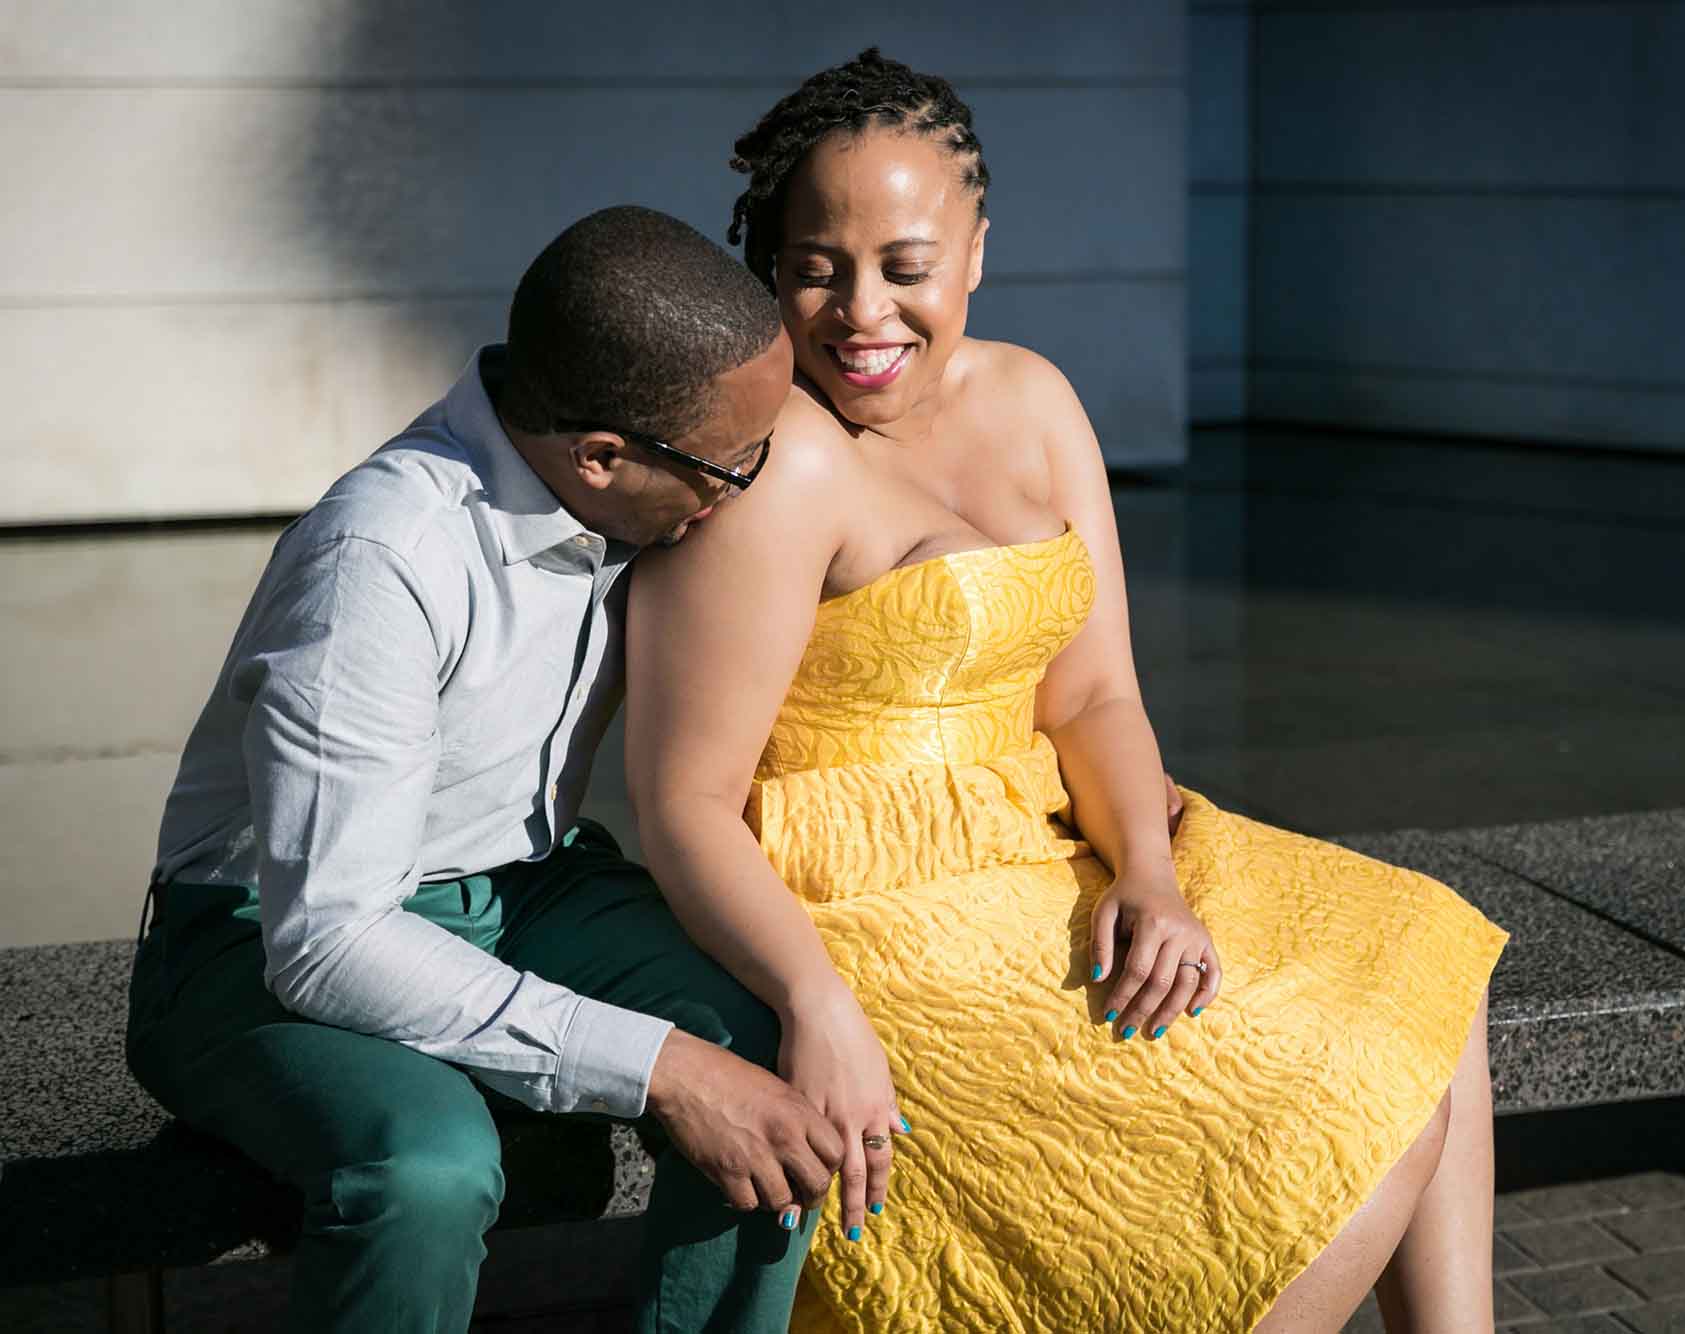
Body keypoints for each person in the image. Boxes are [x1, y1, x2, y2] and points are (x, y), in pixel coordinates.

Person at [621, 49, 1511, 1334]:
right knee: (1347, 1124)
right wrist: (815, 1002)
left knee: (1419, 953)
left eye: (906, 267)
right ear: (769, 265)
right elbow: (683, 802)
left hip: (1044, 836)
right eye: (816, 267)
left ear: (976, 254)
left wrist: (1147, 873)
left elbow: (1093, 695)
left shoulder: (1032, 399)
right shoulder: (776, 470)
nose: (862, 314)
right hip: (861, 909)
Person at [128, 207, 848, 1334]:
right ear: (600, 456)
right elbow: (330, 941)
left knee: (774, 1044)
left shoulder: (637, 479)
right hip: (261, 934)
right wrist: (660, 1068)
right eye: (734, 464)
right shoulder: (381, 559)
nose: (750, 488)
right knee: (426, 1167)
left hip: (526, 881)